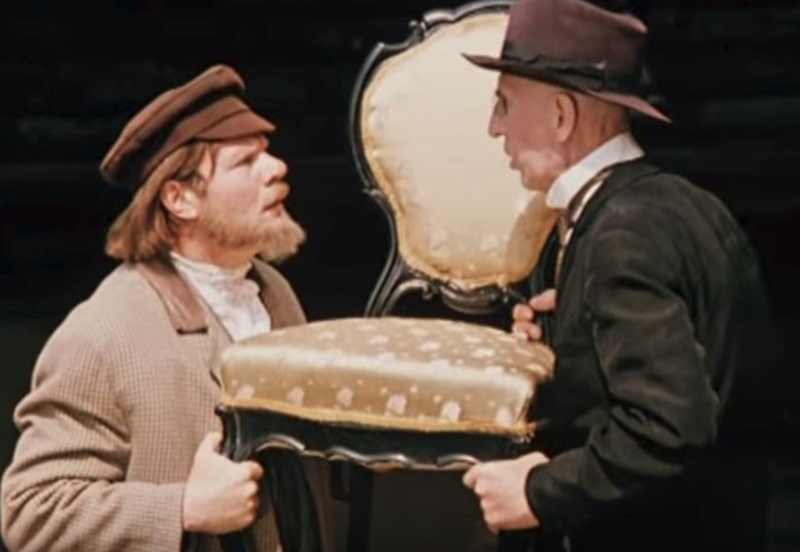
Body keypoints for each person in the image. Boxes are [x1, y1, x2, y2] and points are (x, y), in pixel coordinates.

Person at [461, 1, 770, 551]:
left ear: (562, 116)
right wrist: (572, 331)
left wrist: (537, 492)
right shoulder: (679, 203)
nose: (494, 128)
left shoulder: (622, 236)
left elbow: (669, 430)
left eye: (504, 104)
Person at [1, 64, 332, 552]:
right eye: (245, 161)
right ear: (180, 199)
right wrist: (182, 508)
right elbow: (30, 512)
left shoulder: (272, 291)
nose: (276, 167)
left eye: (267, 152)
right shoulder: (101, 333)